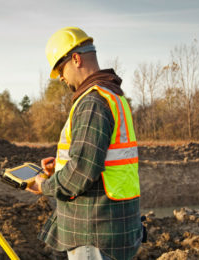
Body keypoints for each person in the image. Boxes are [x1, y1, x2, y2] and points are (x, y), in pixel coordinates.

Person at [26, 27, 142, 260]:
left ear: (76, 59)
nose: (61, 77)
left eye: (60, 69)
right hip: (111, 226)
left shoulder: (92, 102)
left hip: (94, 231)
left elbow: (82, 169)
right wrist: (58, 169)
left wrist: (43, 186)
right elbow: (96, 159)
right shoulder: (113, 96)